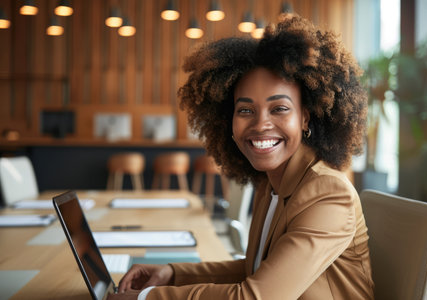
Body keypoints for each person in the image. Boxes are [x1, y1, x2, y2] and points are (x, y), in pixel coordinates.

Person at [109, 15, 374, 300]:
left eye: (279, 109)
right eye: (245, 110)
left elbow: (254, 296)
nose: (260, 124)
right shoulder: (271, 184)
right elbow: (255, 271)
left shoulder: (328, 193)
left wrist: (145, 298)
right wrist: (172, 274)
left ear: (305, 118)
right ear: (229, 121)